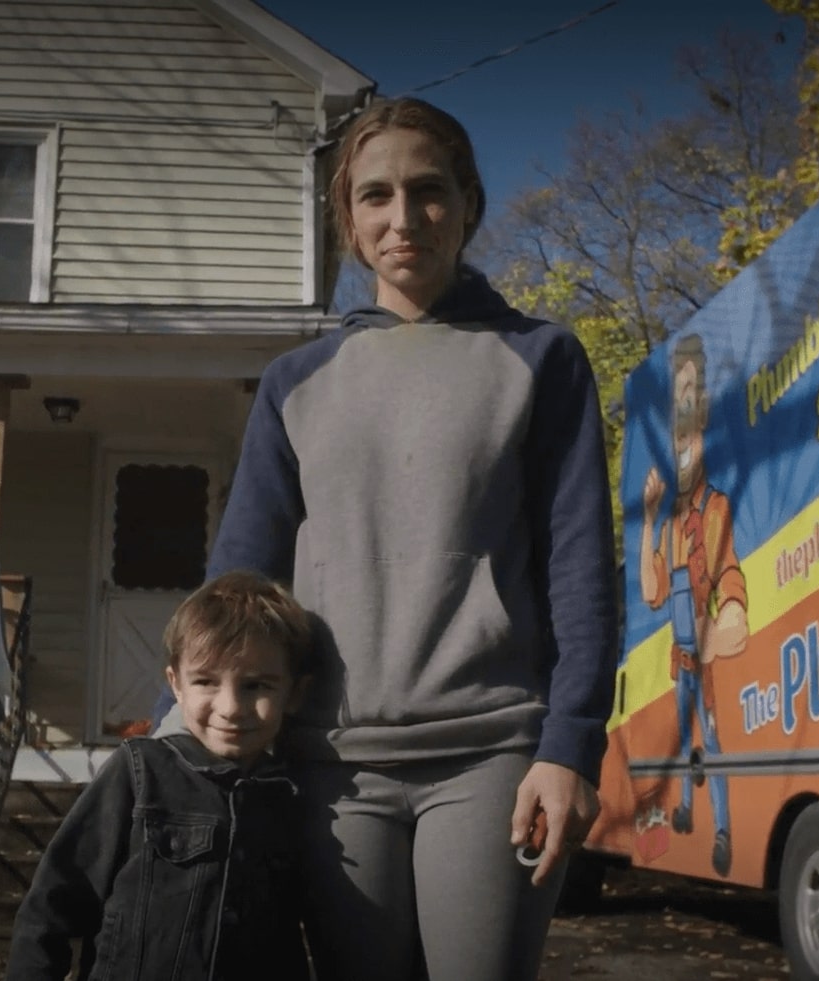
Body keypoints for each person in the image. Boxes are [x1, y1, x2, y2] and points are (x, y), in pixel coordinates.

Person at [153, 96, 618, 981]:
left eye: (427, 191)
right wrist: (182, 720)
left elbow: (581, 566)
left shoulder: (540, 359)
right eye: (375, 197)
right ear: (349, 218)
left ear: (469, 204)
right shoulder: (296, 381)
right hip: (331, 766)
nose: (402, 218)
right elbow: (238, 579)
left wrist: (570, 746)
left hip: (490, 753)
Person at [8, 570, 314, 981]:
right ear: (177, 685)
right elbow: (54, 900)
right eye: (206, 681)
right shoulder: (139, 773)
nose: (231, 707)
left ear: (294, 694)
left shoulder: (291, 796)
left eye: (256, 685)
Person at [639, 333, 749, 877]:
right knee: (685, 734)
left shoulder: (716, 508)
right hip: (680, 657)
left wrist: (729, 619)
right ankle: (684, 805)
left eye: (691, 436)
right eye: (676, 439)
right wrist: (651, 519)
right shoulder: (675, 521)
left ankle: (723, 828)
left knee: (713, 737)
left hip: (704, 656)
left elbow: (731, 579)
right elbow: (651, 592)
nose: (684, 449)